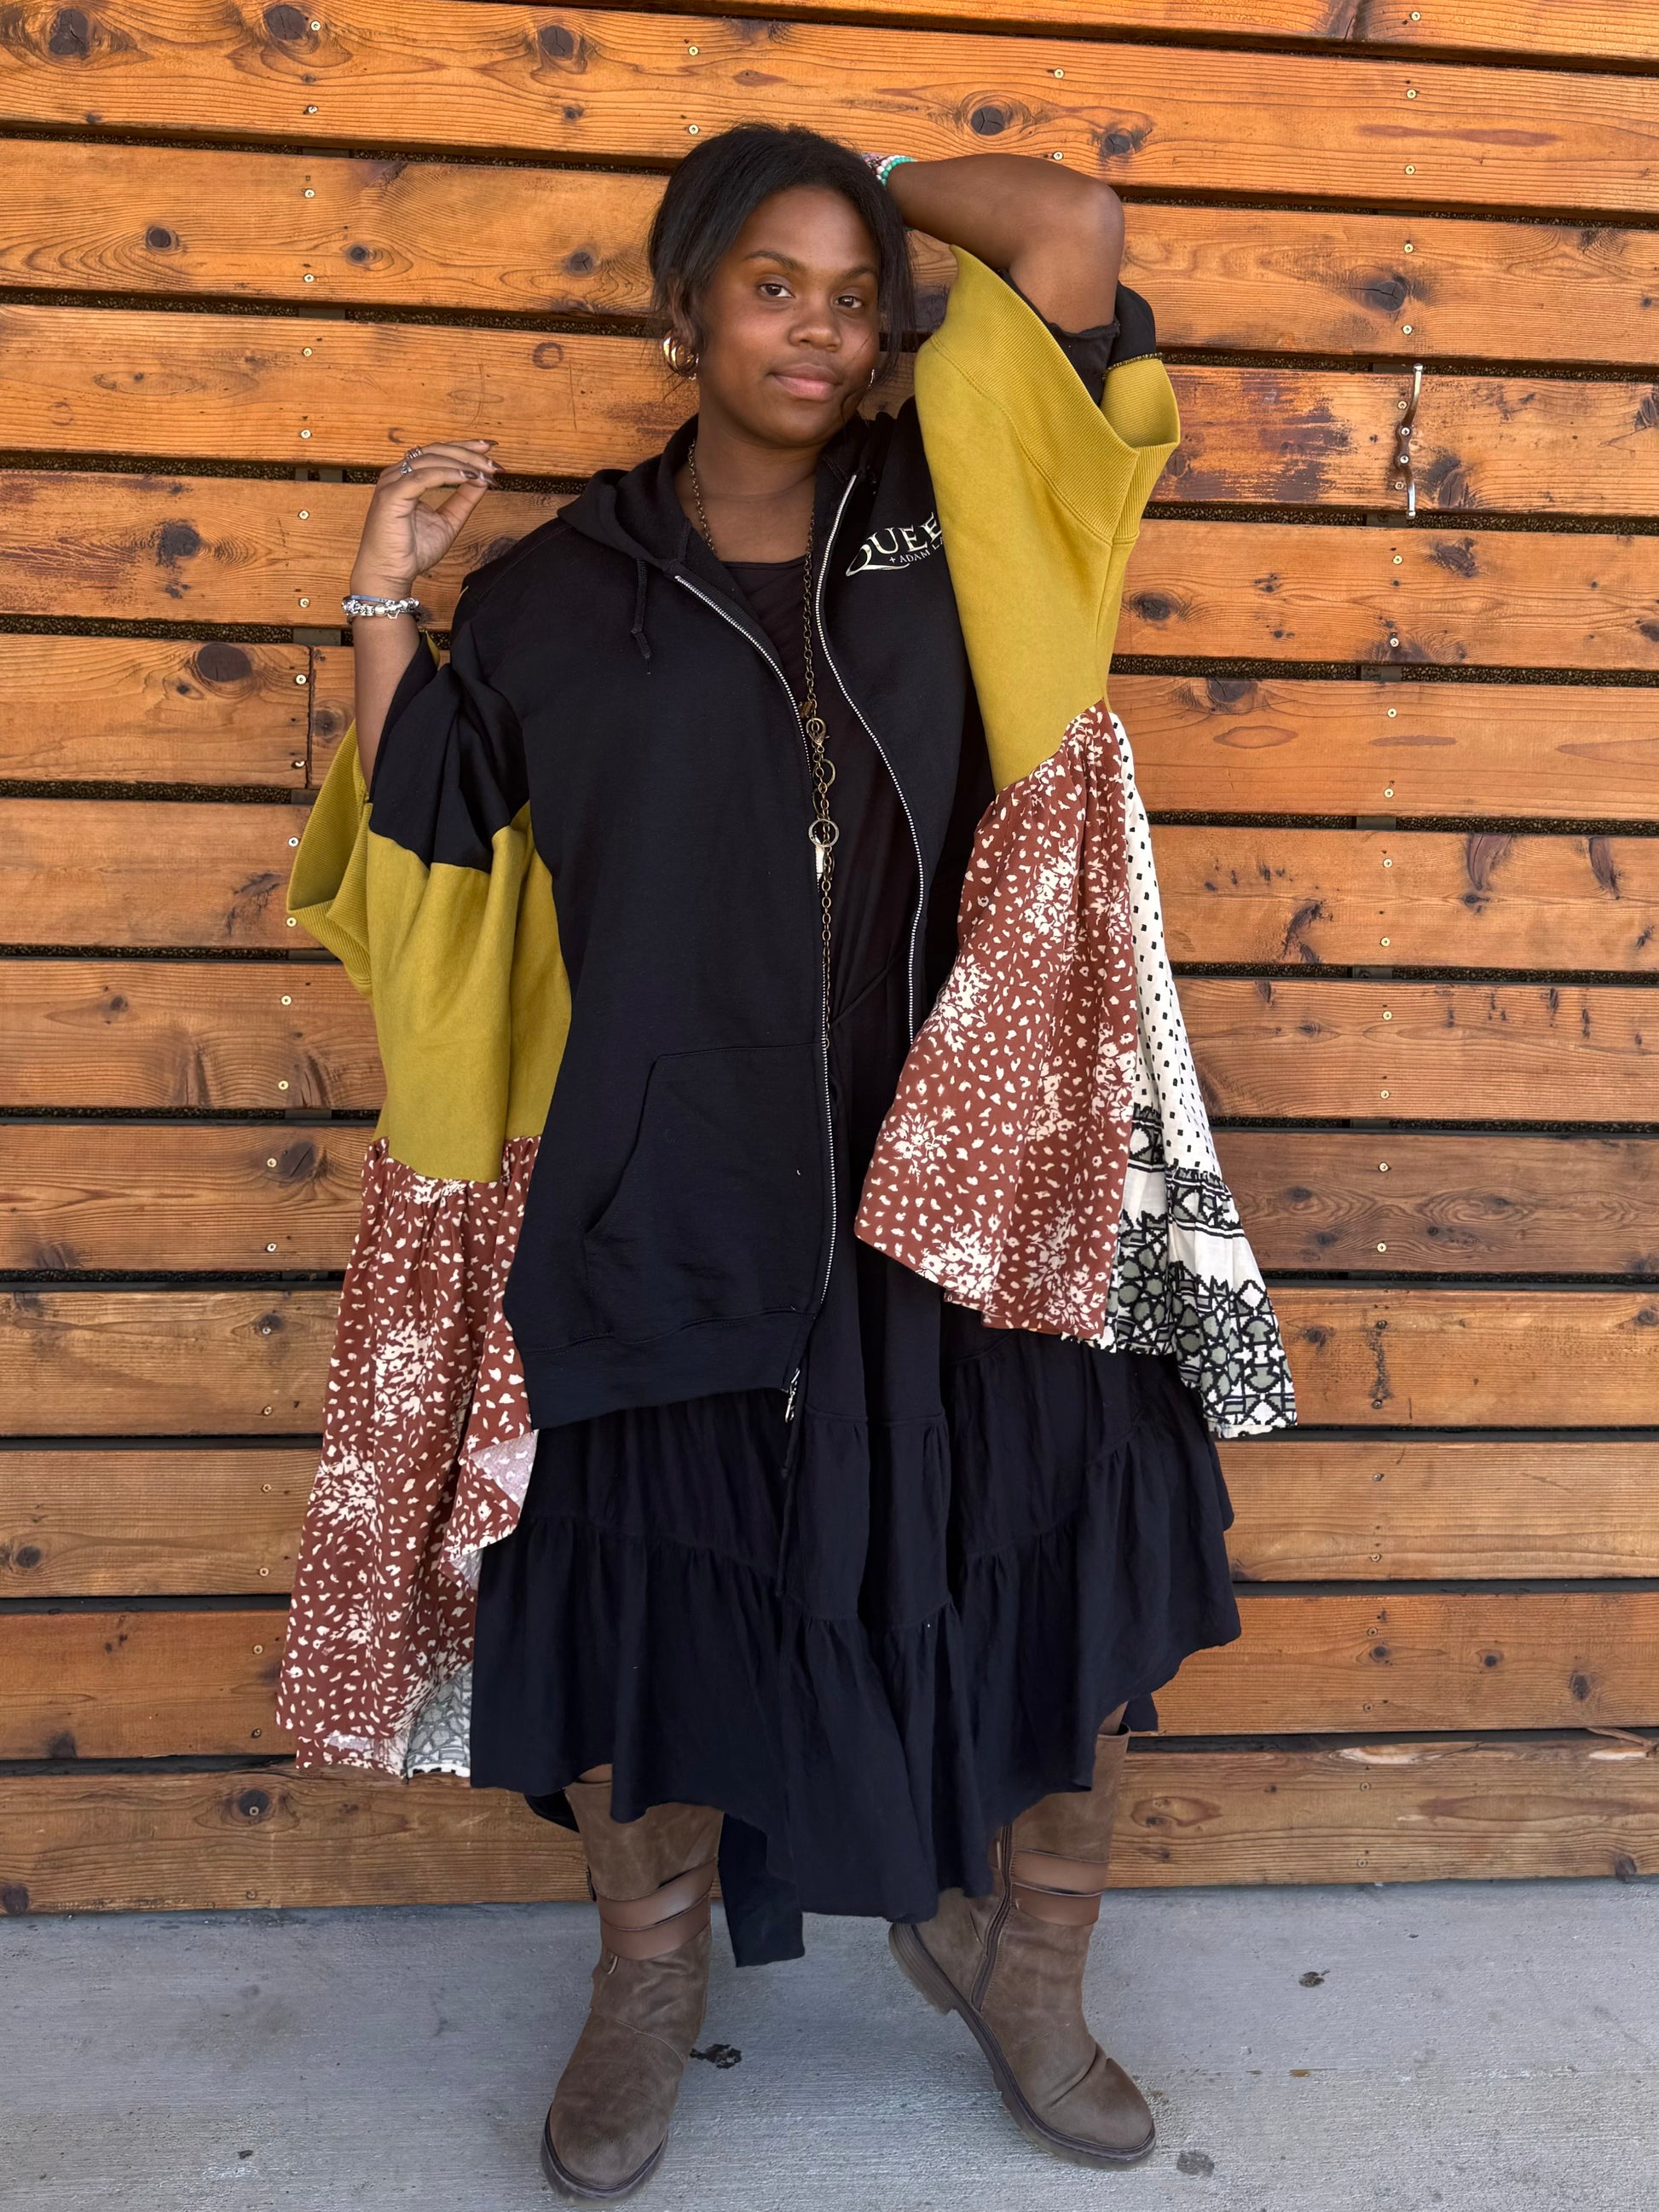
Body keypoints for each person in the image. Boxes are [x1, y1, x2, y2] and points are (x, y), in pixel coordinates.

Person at [280, 126, 1295, 2201]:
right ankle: (646, 1978)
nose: (818, 328)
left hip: (969, 1171)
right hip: (668, 1191)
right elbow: (431, 862)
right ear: (682, 312)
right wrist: (385, 592)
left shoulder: (960, 505)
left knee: (1048, 1554)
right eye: (767, 283)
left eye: (853, 294)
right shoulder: (557, 596)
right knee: (644, 1588)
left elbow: (1069, 229)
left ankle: (1023, 1962)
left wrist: (869, 174)